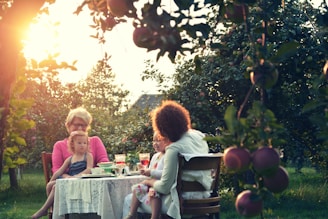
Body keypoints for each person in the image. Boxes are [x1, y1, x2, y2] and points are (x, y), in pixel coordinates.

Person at [133, 100, 211, 219]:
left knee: (129, 200)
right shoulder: (199, 136)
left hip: (180, 202)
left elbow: (164, 187)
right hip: (205, 196)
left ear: (164, 129)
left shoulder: (174, 148)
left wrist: (149, 181)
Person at [31, 131, 93, 219]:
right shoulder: (70, 158)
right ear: (72, 144)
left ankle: (44, 209)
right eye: (79, 143)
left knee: (56, 187)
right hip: (70, 180)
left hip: (81, 181)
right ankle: (52, 210)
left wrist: (77, 176)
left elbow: (89, 169)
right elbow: (60, 171)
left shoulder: (88, 156)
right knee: (50, 185)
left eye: (84, 143)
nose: (82, 145)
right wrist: (52, 180)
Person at [123, 132, 171, 219]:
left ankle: (155, 216)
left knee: (153, 193)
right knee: (138, 188)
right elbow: (151, 170)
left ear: (167, 141)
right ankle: (132, 213)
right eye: (154, 141)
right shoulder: (155, 156)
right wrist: (145, 171)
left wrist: (151, 172)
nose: (155, 143)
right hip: (151, 182)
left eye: (158, 140)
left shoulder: (168, 156)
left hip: (161, 184)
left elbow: (166, 173)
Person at [52, 106, 109, 177]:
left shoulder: (95, 141)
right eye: (76, 124)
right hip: (68, 183)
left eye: (84, 125)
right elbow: (57, 169)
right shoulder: (59, 145)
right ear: (68, 125)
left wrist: (91, 174)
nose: (80, 128)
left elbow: (104, 163)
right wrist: (70, 179)